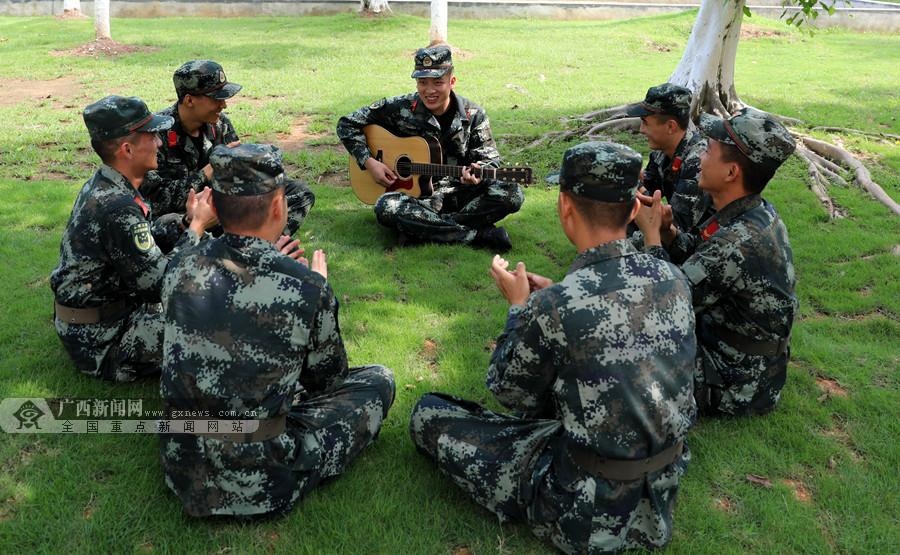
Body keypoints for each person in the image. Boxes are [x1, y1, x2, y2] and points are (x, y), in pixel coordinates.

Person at [410, 142, 697, 553]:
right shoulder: (673, 277)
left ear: (564, 206)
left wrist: (519, 309)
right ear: (634, 208)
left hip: (586, 511)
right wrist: (554, 298)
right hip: (661, 490)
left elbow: (511, 393)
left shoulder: (555, 306)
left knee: (429, 413)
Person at [159, 143, 395, 517]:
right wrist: (318, 287)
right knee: (378, 381)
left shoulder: (180, 264)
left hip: (184, 465)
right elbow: (327, 381)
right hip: (264, 478)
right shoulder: (306, 287)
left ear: (214, 206)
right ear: (277, 206)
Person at [635, 107, 798, 416]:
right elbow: (701, 258)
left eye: (708, 150)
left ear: (731, 173)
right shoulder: (754, 211)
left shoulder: (737, 242)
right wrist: (669, 233)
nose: (699, 155)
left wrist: (651, 236)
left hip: (734, 382)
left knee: (616, 346)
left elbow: (662, 308)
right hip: (745, 362)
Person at [50, 95, 217, 382]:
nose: (160, 143)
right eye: (152, 136)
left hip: (105, 316)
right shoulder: (116, 205)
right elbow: (161, 285)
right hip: (104, 340)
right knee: (219, 319)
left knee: (206, 284)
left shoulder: (109, 183)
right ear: (127, 149)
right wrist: (198, 227)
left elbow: (144, 243)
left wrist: (186, 222)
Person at [336, 42, 522, 252]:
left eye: (437, 82)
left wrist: (479, 172)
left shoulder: (474, 115)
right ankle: (477, 235)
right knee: (386, 207)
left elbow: (490, 159)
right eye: (422, 82)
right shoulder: (400, 107)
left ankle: (424, 228)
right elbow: (346, 124)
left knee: (511, 192)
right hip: (418, 198)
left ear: (452, 82)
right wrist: (370, 162)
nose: (429, 90)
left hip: (460, 194)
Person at [140, 59, 315, 237]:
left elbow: (242, 177)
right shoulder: (156, 135)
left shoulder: (220, 124)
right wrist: (207, 173)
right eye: (216, 98)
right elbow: (158, 200)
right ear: (189, 100)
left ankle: (262, 249)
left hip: (221, 206)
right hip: (187, 218)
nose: (223, 105)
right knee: (168, 222)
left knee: (299, 192)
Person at [626, 82, 712, 232]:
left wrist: (638, 186)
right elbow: (649, 190)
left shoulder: (697, 162)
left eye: (645, 123)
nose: (641, 129)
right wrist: (631, 178)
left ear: (671, 127)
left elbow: (676, 225)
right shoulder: (661, 151)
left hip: (700, 241)